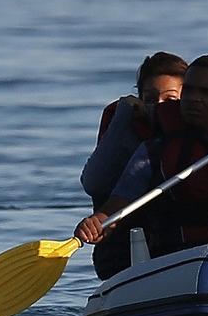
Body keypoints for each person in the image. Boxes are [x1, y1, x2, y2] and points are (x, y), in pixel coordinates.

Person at [74, 54, 208, 263]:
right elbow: (121, 199)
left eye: (206, 92)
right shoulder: (155, 149)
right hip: (176, 257)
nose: (194, 98)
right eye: (189, 90)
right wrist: (98, 222)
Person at [79, 51, 188, 276]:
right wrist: (123, 115)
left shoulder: (206, 138)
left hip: (182, 254)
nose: (158, 106)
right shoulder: (129, 134)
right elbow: (93, 182)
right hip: (122, 255)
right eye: (149, 98)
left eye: (170, 100)